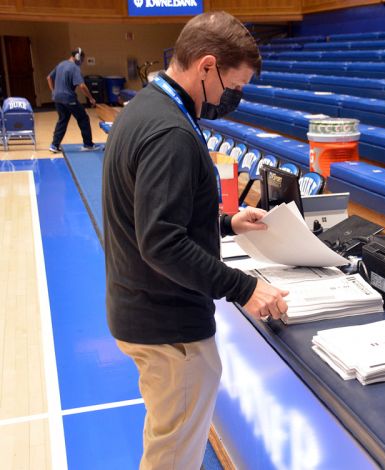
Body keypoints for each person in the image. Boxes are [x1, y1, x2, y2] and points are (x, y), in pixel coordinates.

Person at [102, 11, 288, 469]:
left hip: (142, 309)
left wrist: (225, 224)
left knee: (169, 438)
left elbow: (155, 213)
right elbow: (162, 241)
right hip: (168, 327)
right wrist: (245, 287)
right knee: (174, 456)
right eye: (232, 86)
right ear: (207, 66)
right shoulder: (170, 132)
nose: (232, 98)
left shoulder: (147, 108)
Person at [47, 48, 99, 153]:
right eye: (82, 59)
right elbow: (82, 86)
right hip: (69, 98)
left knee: (63, 119)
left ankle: (54, 145)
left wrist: (54, 91)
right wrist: (91, 98)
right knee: (83, 118)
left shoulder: (61, 64)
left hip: (57, 99)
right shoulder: (74, 68)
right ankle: (88, 144)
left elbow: (49, 78)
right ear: (78, 57)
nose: (82, 62)